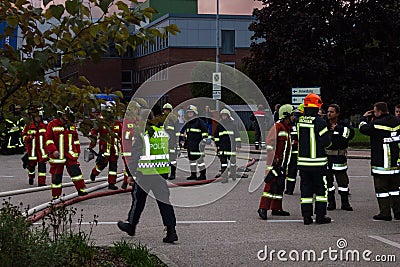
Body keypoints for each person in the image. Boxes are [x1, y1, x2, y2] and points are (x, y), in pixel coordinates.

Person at [117, 109, 178, 243]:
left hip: (145, 174)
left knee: (138, 201)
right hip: (161, 173)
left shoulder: (142, 134)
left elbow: (135, 156)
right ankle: (171, 230)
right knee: (164, 202)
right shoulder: (161, 132)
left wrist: (130, 174)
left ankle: (131, 226)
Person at [359, 102, 400, 221]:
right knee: (395, 190)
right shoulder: (397, 121)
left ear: (380, 111)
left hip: (381, 163)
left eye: (375, 111)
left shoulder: (376, 124)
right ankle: (398, 213)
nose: (374, 113)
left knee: (381, 190)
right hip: (395, 163)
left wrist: (364, 117)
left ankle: (385, 213)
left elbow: (362, 128)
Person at [297, 93, 331, 225]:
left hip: (303, 163)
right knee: (321, 190)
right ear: (317, 107)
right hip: (318, 163)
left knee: (305, 190)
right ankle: (320, 216)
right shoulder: (320, 122)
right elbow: (326, 142)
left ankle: (306, 217)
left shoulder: (299, 120)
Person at [258, 104, 293, 220]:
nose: (294, 117)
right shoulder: (278, 127)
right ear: (286, 115)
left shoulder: (287, 128)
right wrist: (274, 159)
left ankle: (276, 208)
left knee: (279, 186)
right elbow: (270, 144)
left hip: (282, 164)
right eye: (292, 115)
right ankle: (263, 208)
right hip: (275, 164)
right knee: (270, 186)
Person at [45, 106, 88, 199]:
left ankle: (81, 189)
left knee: (76, 172)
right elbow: (48, 140)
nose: (67, 117)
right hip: (57, 156)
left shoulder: (71, 125)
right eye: (65, 115)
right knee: (56, 176)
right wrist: (54, 150)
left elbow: (75, 139)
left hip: (70, 154)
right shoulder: (52, 125)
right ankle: (56, 195)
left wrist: (77, 150)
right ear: (61, 115)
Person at [325, 104, 355, 211]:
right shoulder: (324, 124)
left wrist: (338, 128)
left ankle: (345, 203)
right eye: (328, 111)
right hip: (327, 157)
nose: (329, 113)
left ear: (337, 113)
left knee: (343, 182)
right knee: (328, 183)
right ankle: (331, 202)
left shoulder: (344, 124)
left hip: (339, 157)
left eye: (332, 112)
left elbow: (351, 135)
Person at [88, 105, 122, 190]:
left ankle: (112, 183)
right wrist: (91, 145)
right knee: (102, 164)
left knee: (113, 167)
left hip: (114, 150)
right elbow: (94, 132)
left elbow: (121, 135)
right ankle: (94, 172)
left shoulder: (117, 123)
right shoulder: (101, 122)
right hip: (104, 149)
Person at [21, 106, 48, 186]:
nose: (38, 119)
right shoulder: (28, 126)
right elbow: (23, 137)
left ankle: (41, 183)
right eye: (36, 117)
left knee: (42, 166)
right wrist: (29, 137)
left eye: (39, 117)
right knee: (31, 166)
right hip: (32, 151)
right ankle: (31, 177)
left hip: (42, 151)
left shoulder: (44, 126)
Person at [213, 109, 241, 183]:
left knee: (233, 163)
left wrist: (238, 145)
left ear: (228, 116)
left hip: (231, 147)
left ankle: (233, 174)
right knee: (224, 164)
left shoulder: (233, 124)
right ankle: (224, 178)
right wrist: (217, 145)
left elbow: (237, 136)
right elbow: (216, 136)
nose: (223, 117)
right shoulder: (219, 125)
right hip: (222, 147)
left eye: (225, 115)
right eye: (222, 115)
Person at [183, 105, 209, 180]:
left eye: (191, 112)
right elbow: (187, 134)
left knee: (200, 161)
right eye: (188, 112)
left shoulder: (199, 122)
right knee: (192, 161)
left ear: (195, 113)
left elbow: (205, 132)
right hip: (190, 145)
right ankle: (193, 174)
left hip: (198, 145)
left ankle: (203, 175)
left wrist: (203, 142)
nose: (189, 113)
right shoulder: (188, 123)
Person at [284, 103, 303, 195]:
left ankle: (289, 189)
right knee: (303, 173)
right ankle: (306, 189)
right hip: (303, 153)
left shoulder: (292, 124)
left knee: (291, 171)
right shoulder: (303, 122)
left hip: (293, 152)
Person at [161, 103, 180, 180]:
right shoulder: (161, 119)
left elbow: (177, 132)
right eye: (165, 110)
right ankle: (165, 173)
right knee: (164, 159)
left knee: (172, 159)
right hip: (163, 143)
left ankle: (173, 173)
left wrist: (177, 142)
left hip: (172, 142)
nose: (166, 112)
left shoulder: (174, 120)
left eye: (168, 110)